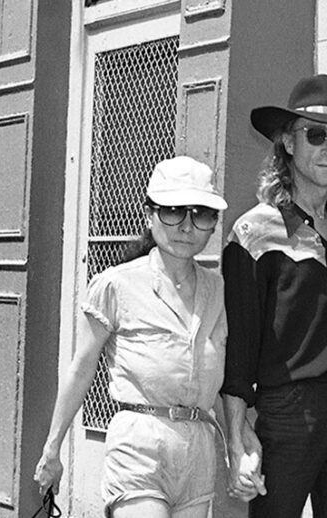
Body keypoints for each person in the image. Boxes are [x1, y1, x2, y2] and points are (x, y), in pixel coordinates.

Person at [33, 156, 257, 517]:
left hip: (198, 448)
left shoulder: (219, 290)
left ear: (213, 223)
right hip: (140, 443)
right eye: (173, 211)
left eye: (200, 214)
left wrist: (241, 444)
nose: (186, 226)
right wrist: (52, 449)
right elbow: (81, 368)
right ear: (149, 214)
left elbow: (220, 384)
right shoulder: (116, 284)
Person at [220, 74, 327, 517]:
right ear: (288, 143)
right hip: (288, 414)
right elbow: (238, 353)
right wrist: (237, 440)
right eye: (315, 135)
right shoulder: (254, 233)